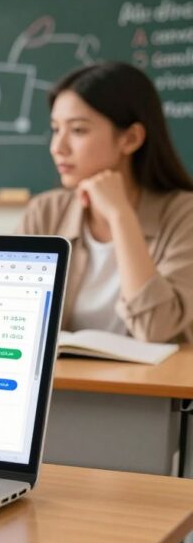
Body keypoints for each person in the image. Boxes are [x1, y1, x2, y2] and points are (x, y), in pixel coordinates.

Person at [18, 61, 193, 342]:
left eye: (77, 130)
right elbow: (13, 321)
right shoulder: (45, 211)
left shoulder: (184, 214)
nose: (57, 148)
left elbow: (154, 328)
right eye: (55, 129)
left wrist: (120, 216)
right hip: (62, 384)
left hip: (149, 386)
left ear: (131, 138)